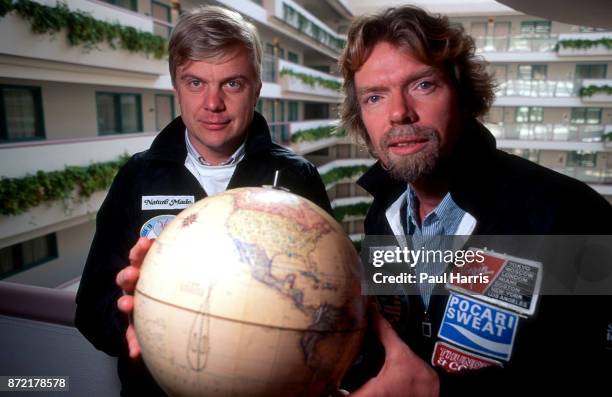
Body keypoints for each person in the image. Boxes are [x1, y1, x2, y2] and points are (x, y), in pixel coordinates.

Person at [337, 5, 612, 396]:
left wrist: (438, 391)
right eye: (375, 97)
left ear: (464, 95)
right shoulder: (382, 215)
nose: (399, 112)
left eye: (423, 85)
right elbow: (393, 338)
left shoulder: (569, 215)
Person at [74, 6, 332, 396]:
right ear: (176, 87)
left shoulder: (297, 178)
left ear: (257, 87)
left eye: (232, 84)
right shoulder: (137, 177)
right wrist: (137, 321)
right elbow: (92, 308)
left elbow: (332, 298)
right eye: (195, 83)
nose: (212, 103)